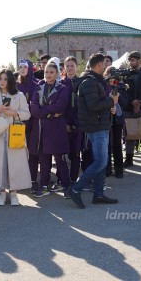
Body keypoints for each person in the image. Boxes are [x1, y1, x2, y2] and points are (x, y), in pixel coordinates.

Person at [69, 53, 119, 209]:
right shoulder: (90, 82)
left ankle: (98, 194)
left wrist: (109, 105)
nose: (105, 67)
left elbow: (97, 104)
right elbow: (93, 106)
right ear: (98, 65)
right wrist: (111, 101)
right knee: (100, 162)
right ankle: (76, 189)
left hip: (99, 125)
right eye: (104, 64)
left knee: (101, 162)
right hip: (96, 127)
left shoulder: (92, 81)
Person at [0, 69, 31, 206]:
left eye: (5, 79)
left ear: (10, 80)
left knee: (14, 163)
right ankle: (2, 193)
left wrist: (14, 113)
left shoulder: (19, 95)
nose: (2, 81)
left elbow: (27, 114)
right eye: (0, 79)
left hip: (14, 132)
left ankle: (14, 192)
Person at [29, 61, 70, 197]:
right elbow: (33, 108)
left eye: (52, 72)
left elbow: (59, 107)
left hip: (56, 129)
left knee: (60, 159)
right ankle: (44, 186)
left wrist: (44, 111)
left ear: (57, 73)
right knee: (44, 159)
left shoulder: (62, 88)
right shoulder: (39, 87)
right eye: (46, 72)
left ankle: (66, 187)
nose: (48, 75)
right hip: (41, 128)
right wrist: (50, 113)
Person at [62, 56, 94, 186]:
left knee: (76, 153)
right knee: (63, 154)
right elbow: (60, 106)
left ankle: (73, 179)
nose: (70, 68)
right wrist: (64, 123)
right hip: (63, 125)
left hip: (78, 124)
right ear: (64, 67)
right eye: (67, 66)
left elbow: (82, 106)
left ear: (76, 67)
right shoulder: (60, 84)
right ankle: (62, 179)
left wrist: (75, 124)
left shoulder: (81, 83)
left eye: (72, 66)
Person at [15, 60, 39, 193]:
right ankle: (18, 180)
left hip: (33, 123)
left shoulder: (36, 85)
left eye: (25, 67)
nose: (23, 69)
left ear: (30, 69)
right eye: (20, 67)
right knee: (17, 151)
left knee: (32, 152)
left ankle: (32, 179)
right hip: (17, 124)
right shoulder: (15, 85)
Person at [103, 66, 128, 178]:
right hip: (106, 118)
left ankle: (119, 170)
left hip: (118, 118)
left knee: (117, 144)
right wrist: (109, 98)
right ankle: (107, 169)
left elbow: (125, 103)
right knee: (106, 144)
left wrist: (118, 96)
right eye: (109, 74)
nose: (112, 77)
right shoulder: (103, 85)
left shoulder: (121, 86)